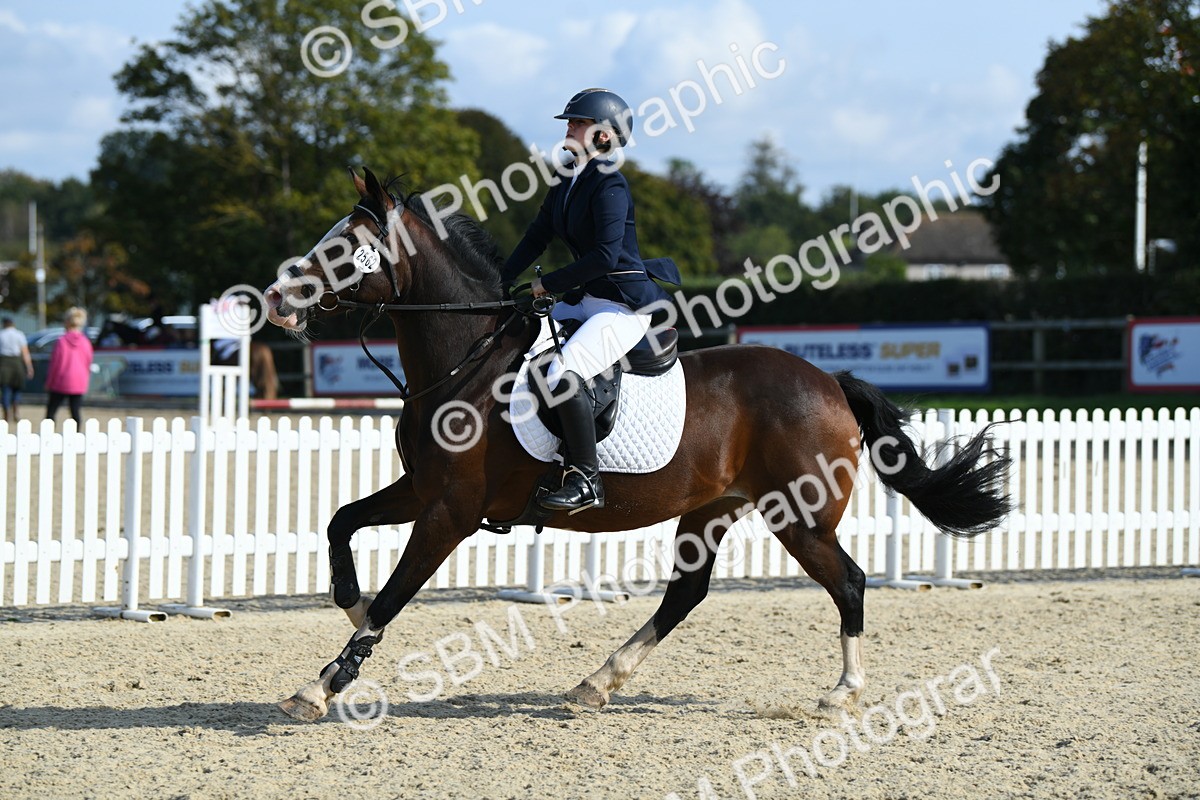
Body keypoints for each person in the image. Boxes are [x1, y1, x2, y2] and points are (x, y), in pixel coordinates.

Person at [501, 88, 681, 514]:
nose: (569, 128)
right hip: (585, 299)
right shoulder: (567, 177)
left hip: (621, 306)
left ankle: (586, 478)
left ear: (603, 135)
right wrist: (500, 282)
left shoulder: (610, 183)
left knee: (564, 372)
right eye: (571, 121)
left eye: (578, 122)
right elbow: (537, 236)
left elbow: (604, 256)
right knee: (514, 335)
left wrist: (548, 284)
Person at [45, 307, 94, 426]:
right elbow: (88, 362)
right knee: (75, 411)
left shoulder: (61, 341)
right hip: (79, 380)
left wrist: (49, 382)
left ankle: (48, 433)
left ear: (67, 322)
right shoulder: (86, 342)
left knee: (51, 411)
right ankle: (76, 433)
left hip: (61, 380)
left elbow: (55, 364)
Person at [0, 317, 34, 423]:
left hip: (3, 364)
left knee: (5, 390)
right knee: (17, 389)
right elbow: (25, 352)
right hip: (17, 364)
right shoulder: (19, 334)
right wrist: (29, 367)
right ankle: (16, 410)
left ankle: (6, 413)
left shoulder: (1, 335)